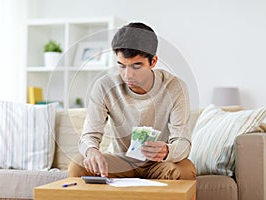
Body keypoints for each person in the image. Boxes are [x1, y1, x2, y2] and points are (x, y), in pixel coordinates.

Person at [68, 22, 196, 180]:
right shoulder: (104, 86)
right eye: (121, 66)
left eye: (136, 66)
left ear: (153, 62)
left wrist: (167, 151)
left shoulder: (175, 87)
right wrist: (92, 152)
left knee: (185, 170)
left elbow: (183, 142)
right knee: (78, 165)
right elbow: (89, 136)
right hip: (120, 161)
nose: (128, 75)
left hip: (159, 163)